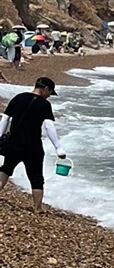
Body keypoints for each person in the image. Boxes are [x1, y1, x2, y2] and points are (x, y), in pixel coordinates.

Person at [0, 76, 65, 214]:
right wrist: (58, 147)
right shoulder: (44, 105)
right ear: (46, 89)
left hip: (14, 143)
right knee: (36, 177)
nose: (49, 96)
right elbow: (49, 126)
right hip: (33, 146)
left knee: (6, 169)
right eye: (50, 93)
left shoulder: (19, 98)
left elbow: (5, 119)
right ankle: (38, 208)